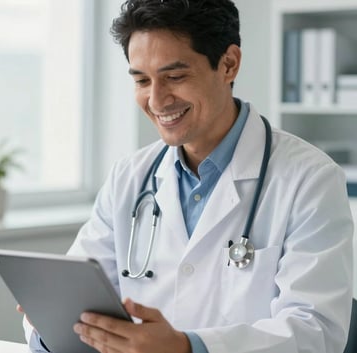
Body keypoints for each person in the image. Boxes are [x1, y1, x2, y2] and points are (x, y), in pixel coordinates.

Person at [22, 0, 354, 352]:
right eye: (141, 80)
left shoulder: (310, 179)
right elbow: (73, 294)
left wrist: (187, 347)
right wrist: (52, 325)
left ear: (228, 64)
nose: (156, 100)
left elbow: (316, 331)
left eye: (175, 77)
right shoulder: (129, 178)